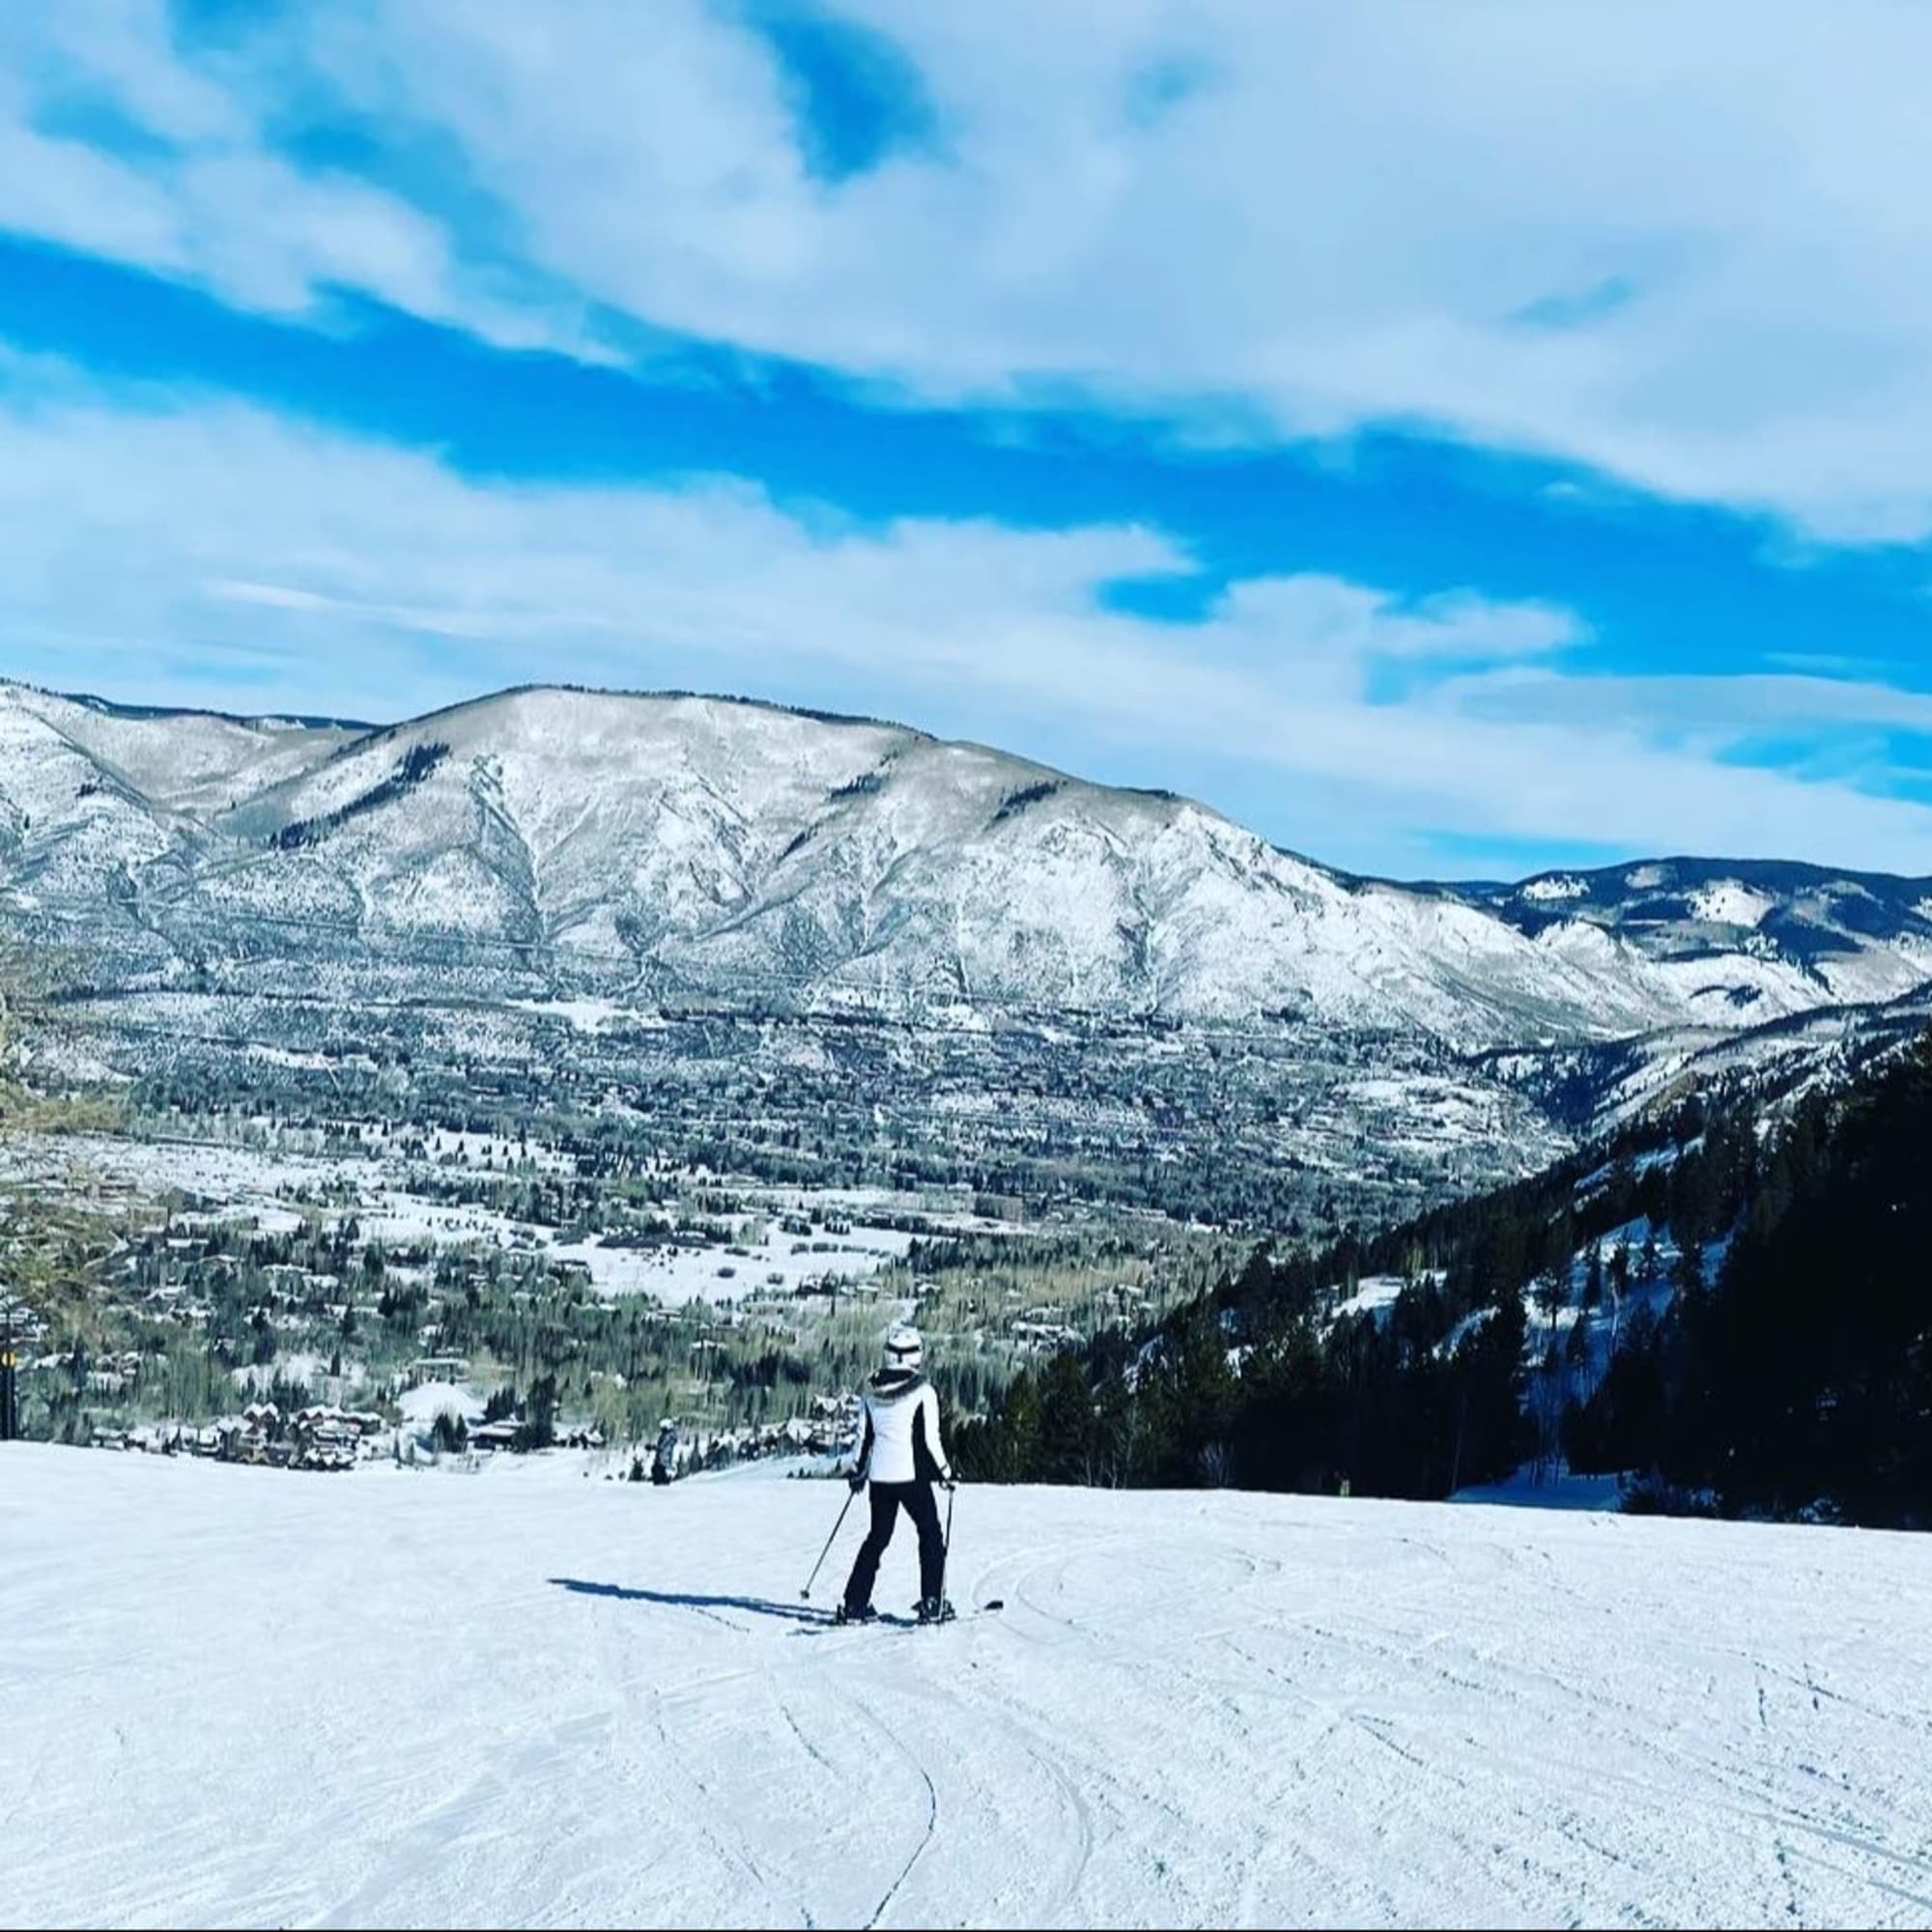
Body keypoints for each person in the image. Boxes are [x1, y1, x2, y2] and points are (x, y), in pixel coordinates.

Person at [839, 1323, 956, 1625]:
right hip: (911, 1476)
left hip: (879, 1478)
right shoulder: (923, 1391)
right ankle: (933, 1601)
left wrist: (857, 1471)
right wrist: (946, 1472)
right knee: (929, 1532)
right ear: (915, 1355)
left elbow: (862, 1439)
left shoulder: (870, 1392)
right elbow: (931, 1440)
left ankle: (854, 1603)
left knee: (877, 1537)